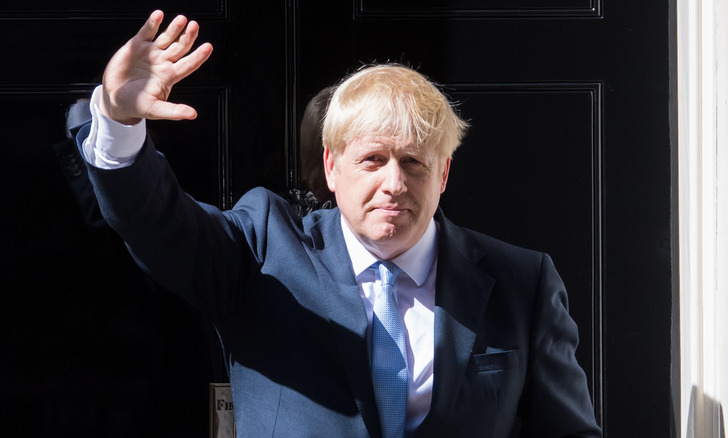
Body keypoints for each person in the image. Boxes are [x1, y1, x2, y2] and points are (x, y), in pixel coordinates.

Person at [77, 10, 602, 437]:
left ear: (443, 172)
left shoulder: (521, 283)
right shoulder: (263, 248)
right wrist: (121, 122)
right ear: (332, 167)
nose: (394, 183)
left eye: (414, 162)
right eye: (373, 160)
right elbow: (158, 224)